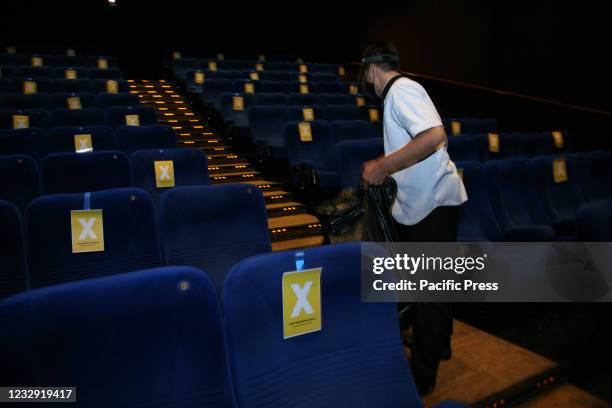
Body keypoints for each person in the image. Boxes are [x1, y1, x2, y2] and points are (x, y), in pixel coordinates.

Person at [360, 41, 468, 394]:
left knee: (430, 291)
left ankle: (421, 376)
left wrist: (382, 165)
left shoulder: (400, 89)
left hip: (433, 204)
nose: (367, 81)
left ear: (372, 68)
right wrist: (389, 166)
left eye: (365, 74)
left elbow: (434, 135)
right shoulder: (401, 92)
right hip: (429, 204)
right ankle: (438, 345)